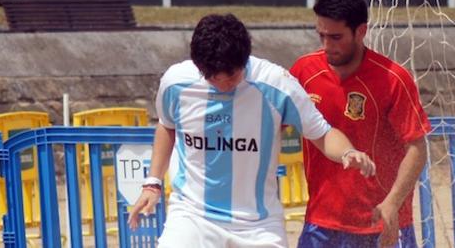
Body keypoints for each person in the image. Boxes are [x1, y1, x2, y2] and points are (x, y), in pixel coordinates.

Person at [127, 13, 376, 248]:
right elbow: (167, 126)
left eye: (232, 76)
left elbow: (322, 133)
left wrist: (347, 152)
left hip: (258, 223)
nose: (223, 84)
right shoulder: (176, 82)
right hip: (193, 215)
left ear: (245, 59)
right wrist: (152, 183)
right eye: (214, 78)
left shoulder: (277, 84)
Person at [290, 0, 431, 247]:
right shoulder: (304, 71)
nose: (326, 45)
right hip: (322, 222)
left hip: (380, 221)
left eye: (335, 37)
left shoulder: (392, 78)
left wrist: (392, 203)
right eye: (321, 35)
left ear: (361, 31)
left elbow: (417, 148)